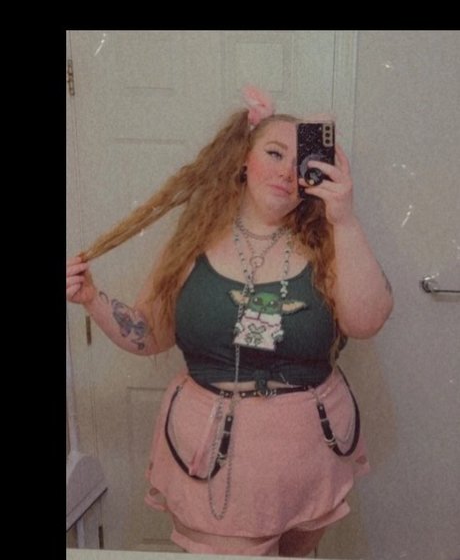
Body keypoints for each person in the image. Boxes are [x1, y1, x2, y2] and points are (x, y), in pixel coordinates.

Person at [66, 86, 393, 556]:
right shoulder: (193, 241)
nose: (285, 171)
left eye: (299, 161)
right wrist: (92, 299)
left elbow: (367, 321)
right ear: (244, 157)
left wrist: (343, 218)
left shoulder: (329, 241)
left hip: (311, 452)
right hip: (215, 456)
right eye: (274, 153)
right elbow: (149, 334)